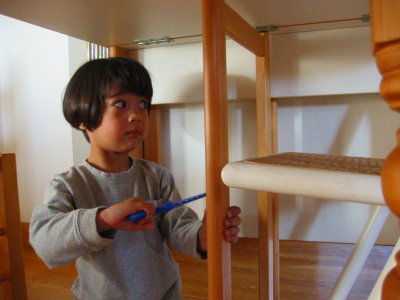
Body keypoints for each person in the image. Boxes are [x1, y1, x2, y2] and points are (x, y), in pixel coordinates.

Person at [29, 57, 241, 300]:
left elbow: (179, 228)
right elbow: (46, 244)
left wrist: (203, 236)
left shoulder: (157, 176)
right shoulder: (69, 184)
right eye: (121, 104)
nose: (136, 115)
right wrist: (103, 219)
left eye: (143, 104)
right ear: (84, 118)